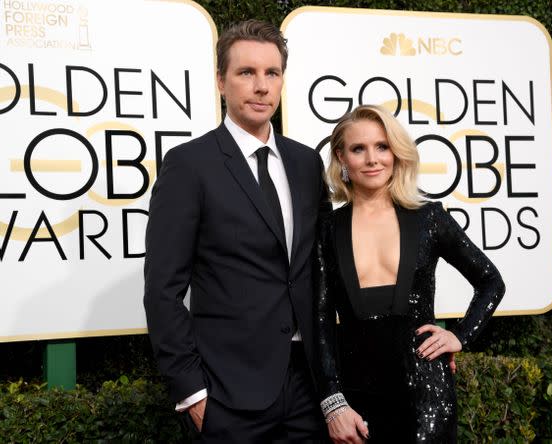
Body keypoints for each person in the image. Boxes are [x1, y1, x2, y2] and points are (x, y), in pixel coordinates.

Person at [144, 20, 331, 442]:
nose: (261, 86)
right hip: (228, 394)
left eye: (272, 73)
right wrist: (192, 392)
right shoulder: (189, 165)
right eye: (246, 73)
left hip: (307, 388)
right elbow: (162, 289)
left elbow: (321, 270)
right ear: (220, 82)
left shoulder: (305, 164)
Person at [315, 105, 506, 443]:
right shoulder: (327, 228)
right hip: (356, 398)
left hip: (426, 393)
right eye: (359, 149)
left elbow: (491, 281)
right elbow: (322, 321)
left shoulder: (428, 218)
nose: (373, 159)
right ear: (341, 158)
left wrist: (460, 335)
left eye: (382, 146)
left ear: (396, 153)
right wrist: (333, 400)